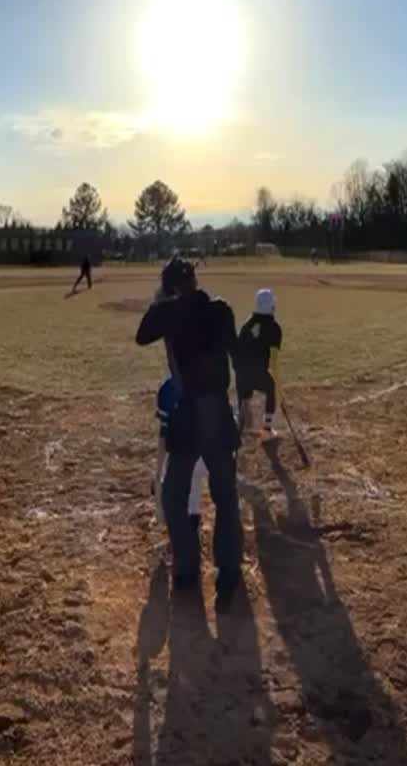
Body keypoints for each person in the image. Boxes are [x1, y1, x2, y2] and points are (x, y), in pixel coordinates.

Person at [135, 257, 244, 610]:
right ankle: (228, 572)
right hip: (218, 411)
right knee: (226, 495)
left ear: (170, 288)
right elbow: (238, 357)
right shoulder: (221, 311)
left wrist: (161, 302)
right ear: (195, 282)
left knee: (173, 495)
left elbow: (142, 335)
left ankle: (186, 568)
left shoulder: (169, 312)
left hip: (188, 414)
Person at [154, 376, 208, 534]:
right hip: (217, 453)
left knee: (186, 491)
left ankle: (190, 527)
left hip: (186, 457)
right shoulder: (211, 378)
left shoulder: (169, 388)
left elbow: (163, 435)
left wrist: (158, 473)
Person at [234, 288, 284, 437]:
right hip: (259, 373)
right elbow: (273, 362)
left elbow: (238, 351)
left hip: (241, 373)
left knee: (245, 399)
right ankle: (267, 428)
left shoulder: (247, 324)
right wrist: (279, 387)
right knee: (270, 388)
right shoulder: (274, 328)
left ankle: (241, 427)